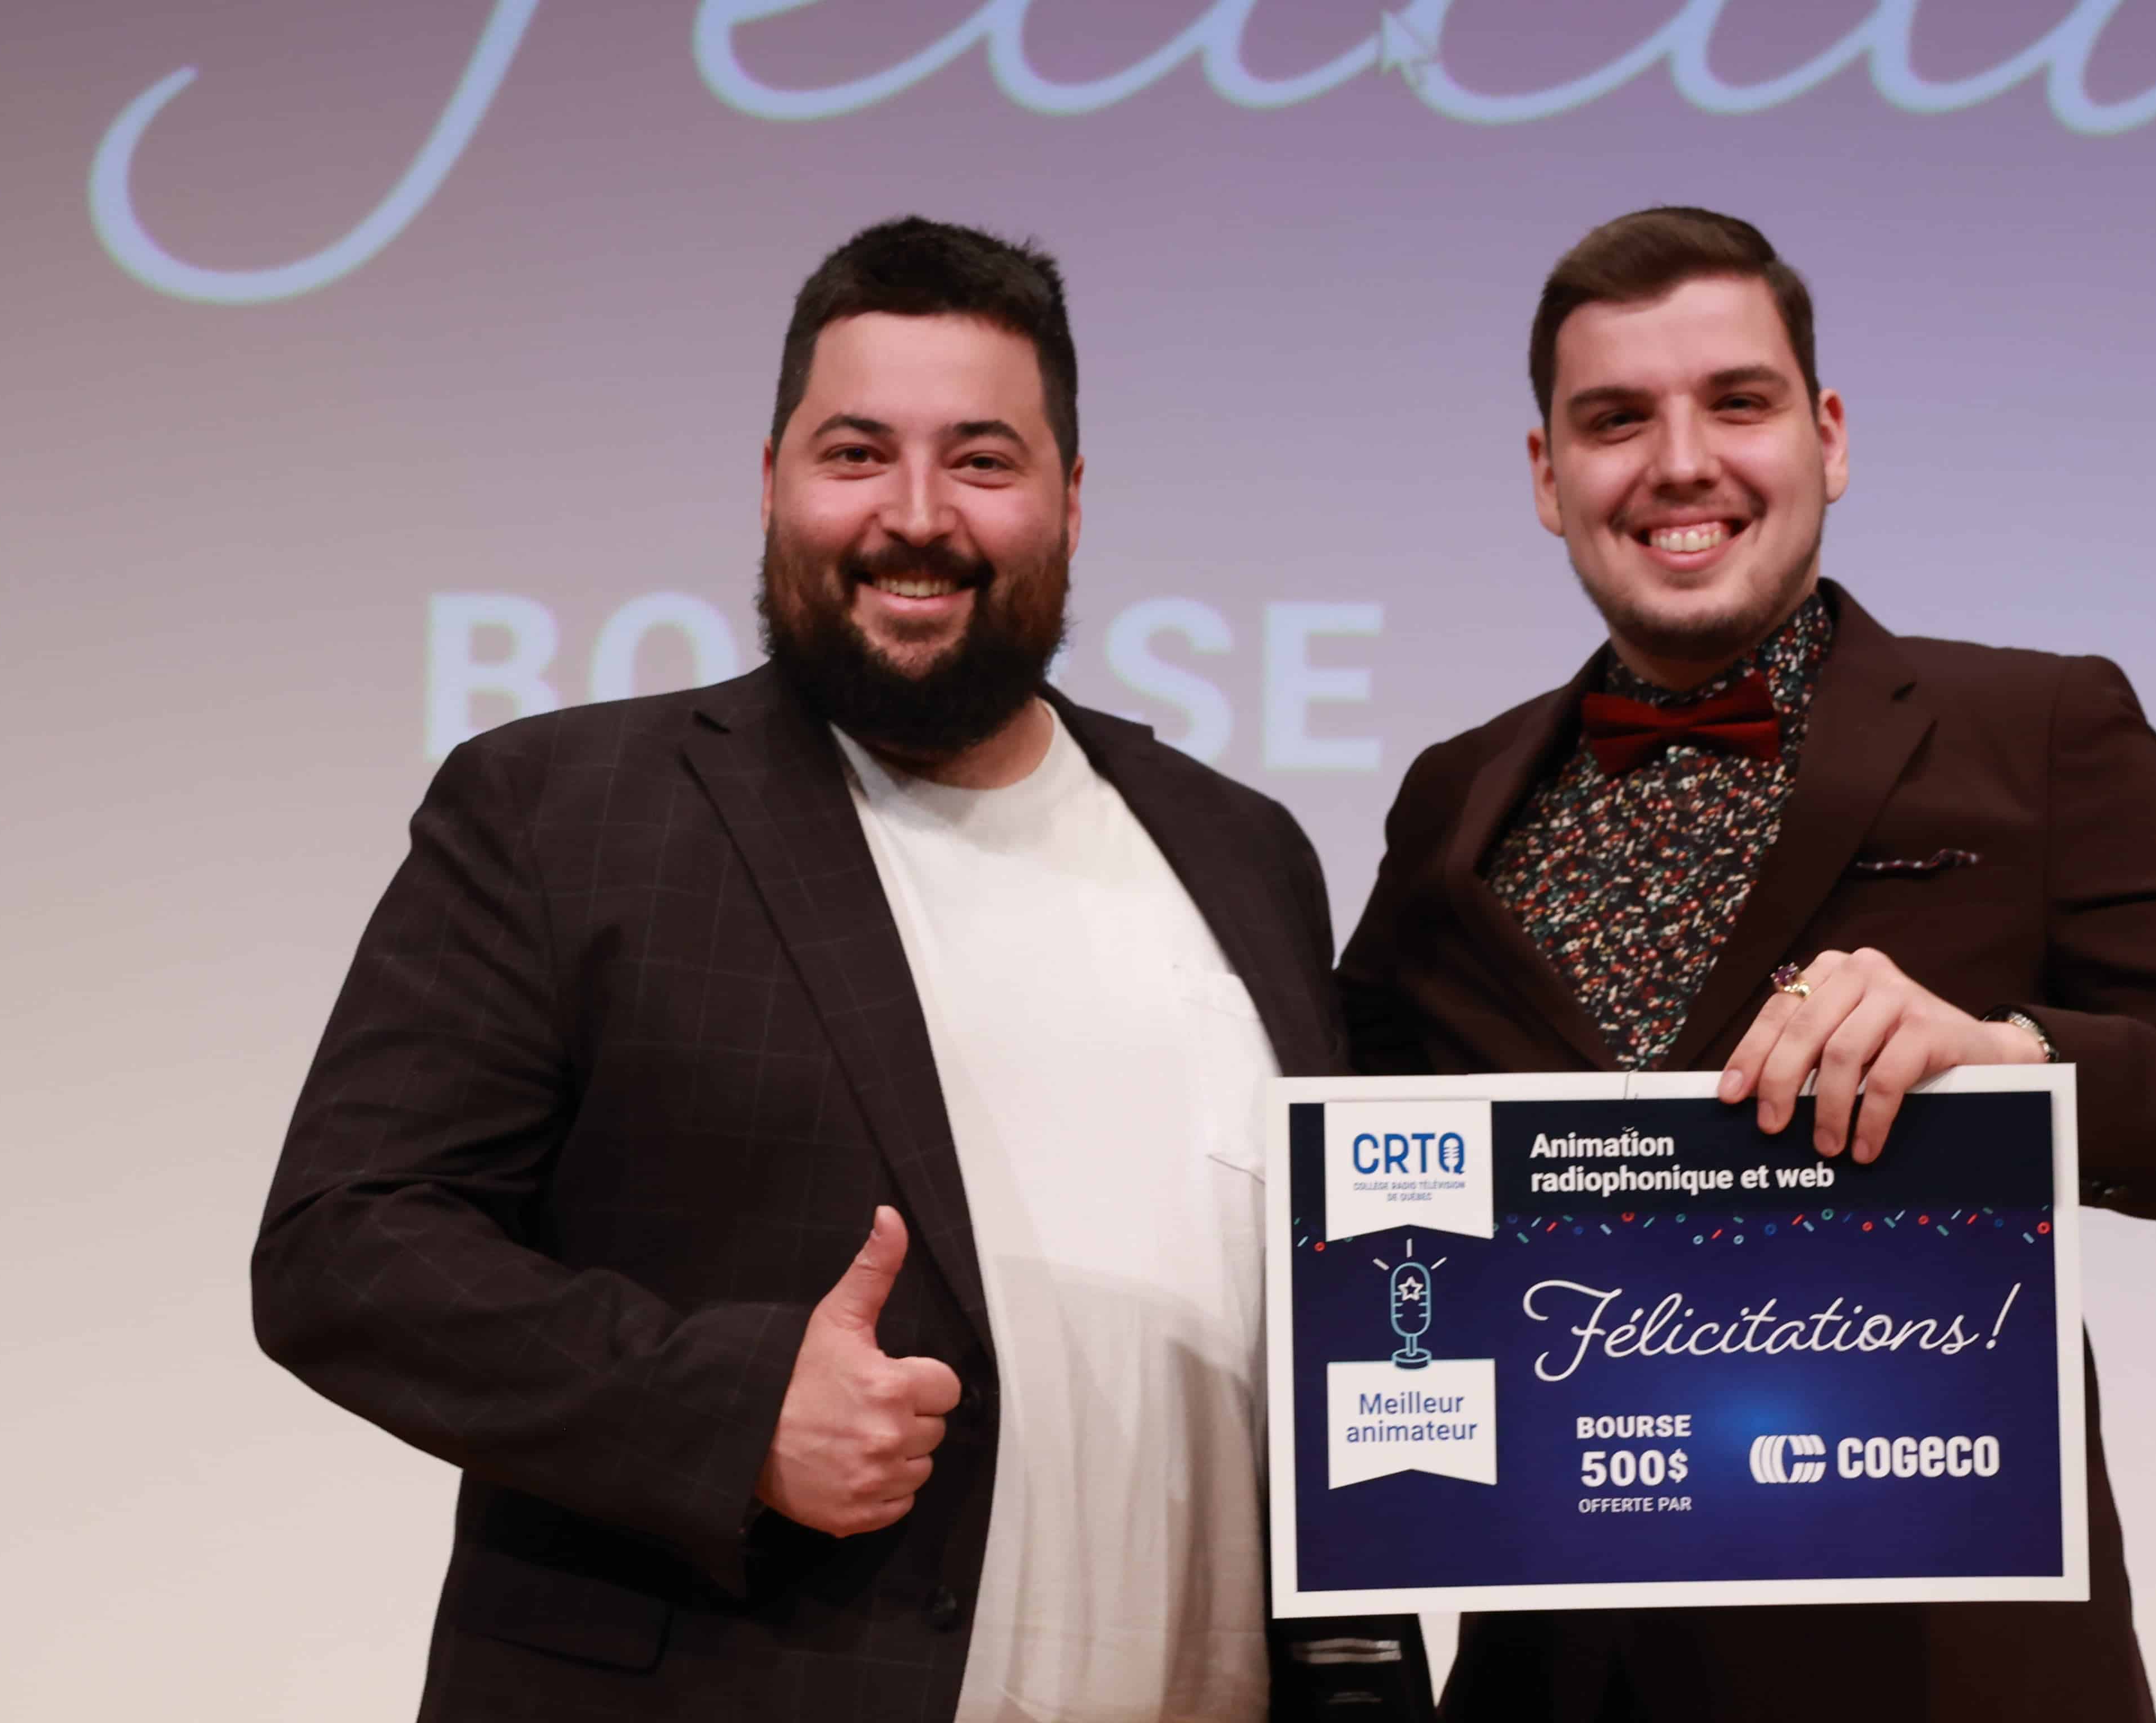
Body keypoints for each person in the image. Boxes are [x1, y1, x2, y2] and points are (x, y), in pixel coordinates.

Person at [255, 218, 1422, 1721]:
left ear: (1071, 501)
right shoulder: (565, 811)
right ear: (770, 483)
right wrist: (734, 1413)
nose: (915, 516)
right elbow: (345, 1247)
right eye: (857, 454)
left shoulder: (1242, 849)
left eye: (983, 461)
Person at [1337, 206, 2156, 1721]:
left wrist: (2017, 1062)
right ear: (1548, 475)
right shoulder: (1456, 799)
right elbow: (1340, 1204)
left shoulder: (2037, 731)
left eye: (1738, 402)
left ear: (1826, 437)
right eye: (1617, 419)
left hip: (1942, 1678)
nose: (1681, 462)